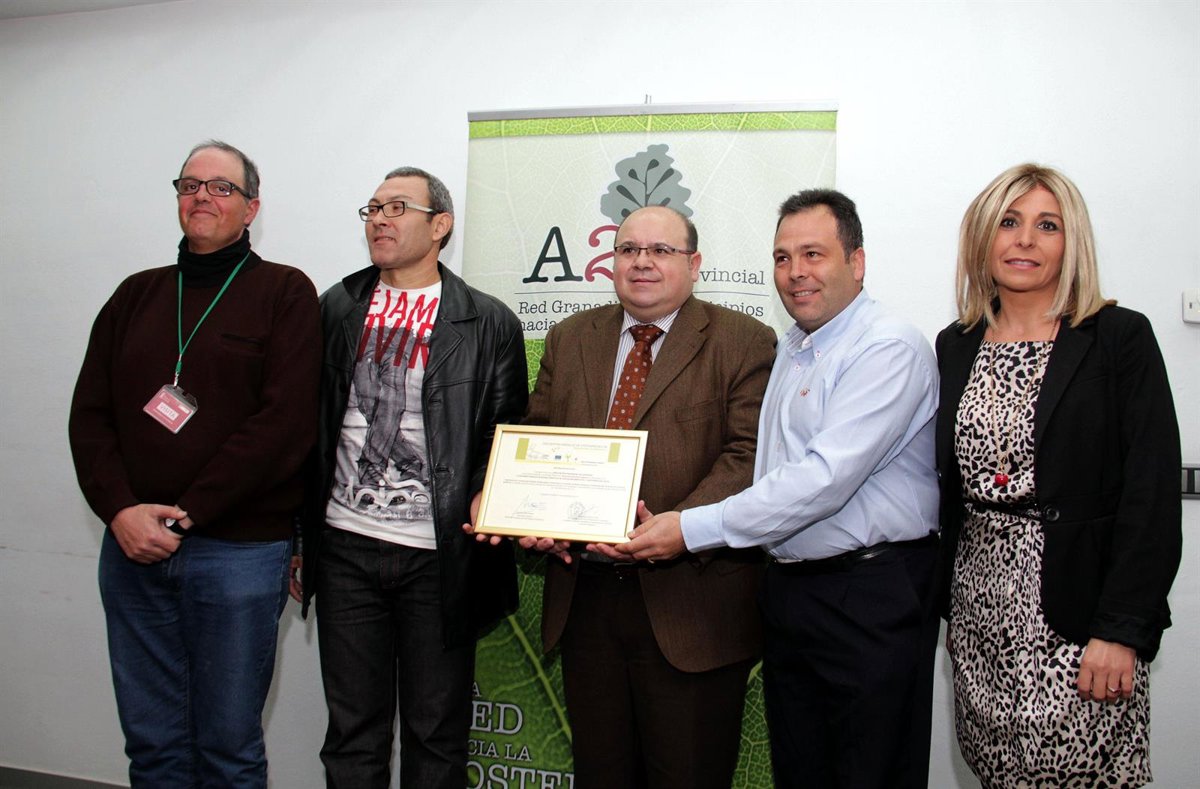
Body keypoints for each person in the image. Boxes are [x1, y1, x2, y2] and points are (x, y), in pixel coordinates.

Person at [623, 190, 941, 788]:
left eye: (814, 254)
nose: (796, 272)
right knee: (801, 772)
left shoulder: (887, 346)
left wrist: (690, 528)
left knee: (870, 773)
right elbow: (767, 467)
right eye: (782, 257)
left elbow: (823, 480)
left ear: (857, 262)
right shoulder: (795, 346)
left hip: (868, 596)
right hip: (793, 594)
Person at [68, 140, 321, 787]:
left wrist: (188, 512)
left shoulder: (284, 292)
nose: (202, 196)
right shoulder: (135, 295)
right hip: (132, 551)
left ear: (252, 208)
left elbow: (284, 426)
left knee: (227, 749)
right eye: (190, 185)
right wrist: (121, 511)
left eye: (221, 187)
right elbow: (89, 417)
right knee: (152, 746)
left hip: (238, 554)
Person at [934, 163, 1182, 787]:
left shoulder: (1118, 338)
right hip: (978, 615)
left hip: (1080, 621)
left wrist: (1121, 631)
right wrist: (949, 610)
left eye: (1048, 225)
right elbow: (948, 488)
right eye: (1009, 222)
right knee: (995, 771)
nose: (1025, 239)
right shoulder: (956, 344)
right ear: (982, 236)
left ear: (1072, 242)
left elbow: (1151, 495)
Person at [516, 205, 776, 787]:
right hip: (586, 601)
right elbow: (538, 441)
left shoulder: (743, 340)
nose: (642, 262)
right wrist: (532, 514)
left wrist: (680, 526)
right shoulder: (569, 338)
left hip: (691, 604)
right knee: (601, 774)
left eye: (661, 250)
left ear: (695, 263)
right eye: (628, 249)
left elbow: (749, 455)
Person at [298, 166, 527, 788]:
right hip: (344, 549)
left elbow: (503, 438)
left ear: (440, 225)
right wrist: (298, 540)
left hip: (440, 558)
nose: (380, 219)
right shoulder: (336, 306)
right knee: (352, 734)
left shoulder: (488, 322)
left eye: (397, 207)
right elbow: (307, 427)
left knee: (437, 734)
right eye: (373, 208)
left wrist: (486, 496)